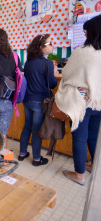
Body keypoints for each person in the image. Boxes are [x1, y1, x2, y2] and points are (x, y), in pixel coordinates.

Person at [55, 15, 101, 185]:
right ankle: (94, 167)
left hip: (81, 102)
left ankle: (79, 174)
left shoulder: (82, 52)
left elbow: (66, 73)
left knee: (80, 138)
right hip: (98, 102)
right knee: (94, 137)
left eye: (86, 31)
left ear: (92, 32)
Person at [18, 34, 57, 166]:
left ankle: (22, 153)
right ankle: (36, 159)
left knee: (27, 127)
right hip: (40, 101)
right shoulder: (48, 63)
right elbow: (52, 84)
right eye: (49, 44)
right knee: (36, 130)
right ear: (41, 48)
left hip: (27, 99)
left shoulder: (28, 62)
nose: (52, 46)